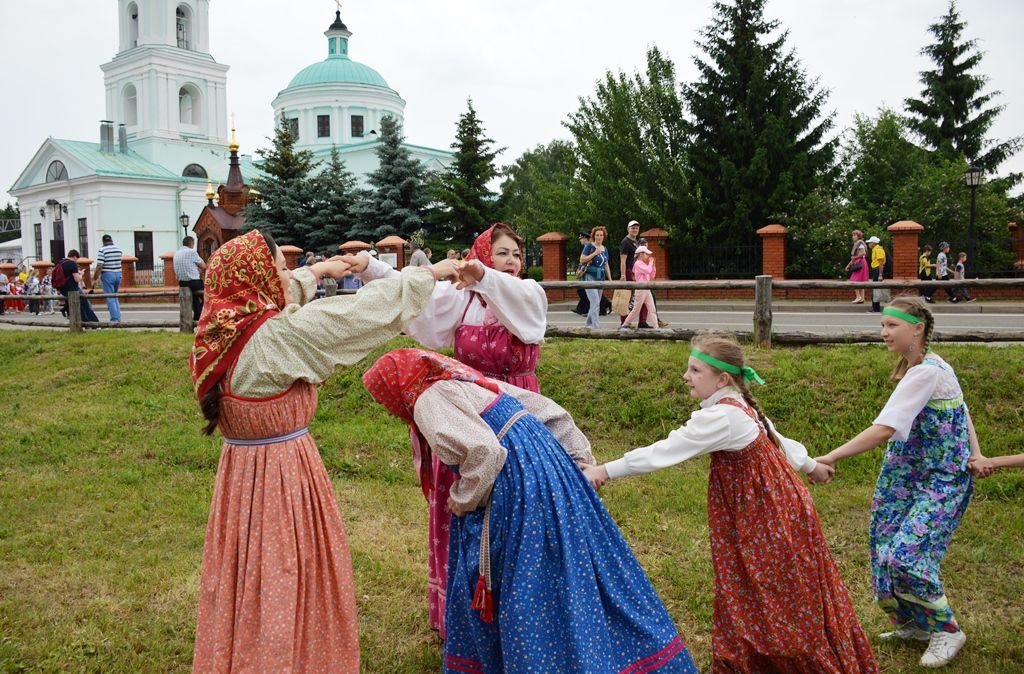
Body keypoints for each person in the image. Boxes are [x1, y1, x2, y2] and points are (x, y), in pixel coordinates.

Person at [188, 229, 459, 673]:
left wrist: (315, 271)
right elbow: (358, 314)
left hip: (241, 480)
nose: (284, 276)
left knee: (248, 579)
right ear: (256, 281)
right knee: (283, 575)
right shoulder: (277, 339)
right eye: (277, 267)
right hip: (280, 482)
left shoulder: (217, 330)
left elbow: (279, 290)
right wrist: (428, 275)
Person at [363, 349, 699, 674]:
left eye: (383, 398)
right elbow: (550, 411)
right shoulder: (466, 380)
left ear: (395, 386)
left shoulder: (427, 397)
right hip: (548, 471)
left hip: (513, 486)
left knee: (523, 578)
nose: (388, 407)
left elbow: (484, 453)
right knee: (568, 565)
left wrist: (463, 498)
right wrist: (578, 460)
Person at [584, 333, 876, 673]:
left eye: (695, 370)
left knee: (770, 592)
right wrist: (811, 466)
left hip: (766, 518)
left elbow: (666, 450)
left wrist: (604, 469)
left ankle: (790, 660)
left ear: (722, 379)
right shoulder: (737, 403)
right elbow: (775, 436)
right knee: (770, 588)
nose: (686, 376)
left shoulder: (723, 416)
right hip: (778, 510)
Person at [347, 222, 547, 640]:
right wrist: (370, 267)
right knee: (465, 508)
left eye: (515, 254)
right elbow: (415, 294)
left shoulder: (528, 294)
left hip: (515, 412)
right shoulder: (464, 302)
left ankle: (517, 614)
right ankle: (462, 614)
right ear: (482, 253)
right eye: (501, 254)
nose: (511, 262)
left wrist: (484, 275)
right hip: (467, 411)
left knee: (515, 510)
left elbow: (521, 312)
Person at [815, 296, 977, 668]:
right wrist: (977, 453)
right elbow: (962, 413)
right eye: (883, 326)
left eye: (892, 326)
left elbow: (885, 428)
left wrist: (832, 456)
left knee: (908, 556)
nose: (884, 333)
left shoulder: (929, 371)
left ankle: (946, 630)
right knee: (885, 548)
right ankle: (913, 624)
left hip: (940, 480)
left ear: (916, 329)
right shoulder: (924, 366)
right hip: (904, 477)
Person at [620, 219, 652, 328]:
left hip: (638, 272)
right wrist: (623, 274)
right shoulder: (625, 242)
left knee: (643, 295)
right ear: (628, 229)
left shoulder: (636, 242)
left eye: (636, 228)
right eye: (632, 228)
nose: (634, 230)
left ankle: (642, 321)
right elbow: (623, 260)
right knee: (629, 297)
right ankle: (624, 321)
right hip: (630, 271)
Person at [579, 225, 612, 329]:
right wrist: (594, 253)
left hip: (600, 278)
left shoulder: (604, 249)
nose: (599, 237)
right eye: (597, 235)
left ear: (603, 236)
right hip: (590, 277)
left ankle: (588, 325)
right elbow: (582, 259)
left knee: (595, 303)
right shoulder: (589, 246)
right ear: (594, 236)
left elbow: (606, 264)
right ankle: (596, 327)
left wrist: (610, 279)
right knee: (595, 302)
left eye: (601, 235)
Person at [55, 250, 100, 324]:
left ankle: (84, 323)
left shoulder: (61, 263)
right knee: (85, 305)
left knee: (78, 306)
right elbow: (77, 279)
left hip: (63, 289)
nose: (77, 261)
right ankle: (94, 323)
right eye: (77, 259)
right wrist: (81, 274)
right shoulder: (72, 264)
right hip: (73, 289)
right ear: (75, 256)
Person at [620, 245, 659, 329]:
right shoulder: (638, 264)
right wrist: (651, 263)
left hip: (646, 288)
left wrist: (653, 265)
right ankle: (625, 324)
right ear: (641, 254)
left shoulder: (644, 264)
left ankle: (656, 327)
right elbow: (648, 270)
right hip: (641, 289)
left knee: (652, 309)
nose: (648, 256)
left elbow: (652, 275)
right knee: (636, 310)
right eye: (646, 254)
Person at [173, 236, 206, 322]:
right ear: (191, 244)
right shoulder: (192, 252)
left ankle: (197, 315)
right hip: (194, 282)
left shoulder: (176, 253)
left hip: (182, 283)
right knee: (206, 294)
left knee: (194, 297)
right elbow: (203, 266)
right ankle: (203, 313)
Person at [95, 234, 124, 324]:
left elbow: (99, 266)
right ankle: (118, 317)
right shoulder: (118, 249)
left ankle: (114, 319)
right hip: (118, 274)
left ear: (103, 241)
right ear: (111, 240)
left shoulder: (102, 250)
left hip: (108, 274)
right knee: (115, 296)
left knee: (110, 298)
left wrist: (95, 277)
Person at [847, 229, 869, 303]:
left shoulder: (860, 243)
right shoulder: (858, 243)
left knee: (854, 281)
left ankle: (858, 297)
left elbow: (863, 253)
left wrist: (855, 258)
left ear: (858, 236)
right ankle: (862, 298)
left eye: (854, 235)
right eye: (852, 235)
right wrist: (848, 265)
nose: (853, 236)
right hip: (860, 262)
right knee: (860, 281)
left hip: (860, 263)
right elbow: (855, 257)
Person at [867, 235, 888, 313]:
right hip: (875, 270)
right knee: (875, 290)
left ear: (874, 243)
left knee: (876, 290)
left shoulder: (879, 250)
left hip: (877, 270)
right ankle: (875, 307)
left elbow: (881, 263)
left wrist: (880, 274)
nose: (868, 244)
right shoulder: (875, 250)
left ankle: (876, 308)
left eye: (869, 242)